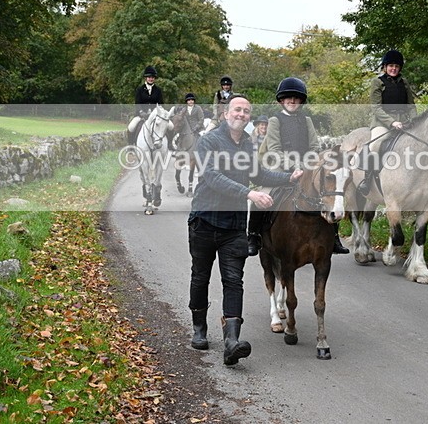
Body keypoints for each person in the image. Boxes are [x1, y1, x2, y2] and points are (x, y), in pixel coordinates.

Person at [187, 94, 302, 366]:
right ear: (226, 113)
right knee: (200, 277)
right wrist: (249, 194)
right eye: (237, 109)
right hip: (204, 221)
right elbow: (213, 177)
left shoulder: (249, 145)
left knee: (233, 281)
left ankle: (232, 341)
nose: (242, 114)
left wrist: (289, 177)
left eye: (247, 111)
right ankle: (200, 328)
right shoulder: (209, 141)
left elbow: (259, 175)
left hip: (234, 226)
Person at [249, 77, 349, 256]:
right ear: (281, 100)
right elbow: (274, 149)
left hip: (307, 166)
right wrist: (294, 167)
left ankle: (334, 237)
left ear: (301, 100)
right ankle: (253, 236)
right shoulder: (275, 121)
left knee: (328, 192)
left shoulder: (307, 120)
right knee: (262, 195)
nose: (292, 101)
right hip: (280, 168)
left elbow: (314, 147)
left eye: (296, 98)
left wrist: (307, 165)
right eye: (288, 98)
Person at [357, 49, 417, 195]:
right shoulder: (377, 82)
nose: (394, 68)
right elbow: (376, 108)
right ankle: (368, 178)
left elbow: (410, 105)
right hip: (382, 123)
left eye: (397, 66)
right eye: (391, 65)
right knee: (376, 144)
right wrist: (391, 123)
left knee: (419, 142)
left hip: (404, 121)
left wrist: (415, 120)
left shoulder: (404, 82)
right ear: (385, 67)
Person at [127, 65, 165, 145]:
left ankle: (169, 145)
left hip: (155, 115)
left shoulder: (158, 90)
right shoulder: (140, 89)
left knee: (170, 126)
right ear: (146, 78)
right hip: (141, 115)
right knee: (131, 127)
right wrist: (141, 112)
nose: (151, 79)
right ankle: (131, 146)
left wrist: (159, 113)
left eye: (153, 77)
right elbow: (137, 103)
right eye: (149, 77)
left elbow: (161, 104)